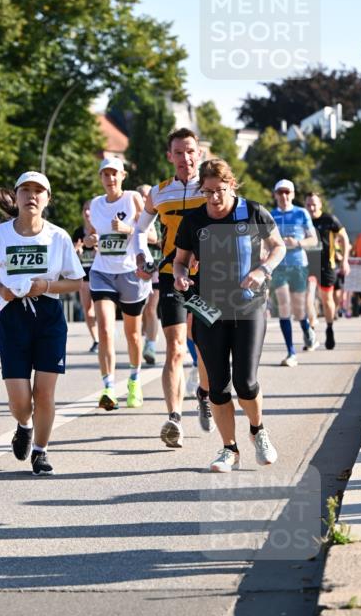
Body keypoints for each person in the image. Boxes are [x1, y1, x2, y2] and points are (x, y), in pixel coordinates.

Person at [174, 159, 286, 472]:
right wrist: (181, 277)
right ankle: (229, 449)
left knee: (246, 382)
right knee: (218, 386)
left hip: (249, 305)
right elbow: (180, 261)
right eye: (207, 192)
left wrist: (263, 270)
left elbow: (278, 247)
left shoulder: (252, 211)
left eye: (219, 191)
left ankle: (257, 430)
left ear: (231, 185)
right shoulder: (194, 220)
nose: (214, 198)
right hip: (209, 308)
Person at [0, 171, 84, 475]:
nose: (32, 196)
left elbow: (76, 281)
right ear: (17, 195)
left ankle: (40, 451)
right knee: (21, 399)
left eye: (39, 191)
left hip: (48, 317)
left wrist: (45, 286)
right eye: (26, 190)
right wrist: (2, 290)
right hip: (13, 316)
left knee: (45, 394)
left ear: (47, 199)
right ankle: (24, 425)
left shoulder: (58, 236)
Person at [134, 128, 214, 447]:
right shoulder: (159, 192)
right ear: (170, 157)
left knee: (206, 345)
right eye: (179, 153)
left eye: (191, 151)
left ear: (200, 154)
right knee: (176, 347)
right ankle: (174, 418)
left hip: (208, 277)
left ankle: (204, 393)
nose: (185, 158)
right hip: (170, 275)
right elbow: (140, 230)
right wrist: (142, 255)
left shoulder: (210, 189)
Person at [85, 156, 150, 410]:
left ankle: (134, 381)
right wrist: (91, 241)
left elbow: (152, 234)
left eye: (115, 174)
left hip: (130, 273)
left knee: (133, 335)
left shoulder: (133, 198)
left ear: (123, 176)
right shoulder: (95, 204)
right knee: (104, 331)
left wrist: (127, 229)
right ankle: (109, 388)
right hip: (102, 272)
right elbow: (92, 237)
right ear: (100, 178)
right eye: (105, 174)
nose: (110, 179)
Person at [270, 180, 318, 366]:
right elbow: (265, 242)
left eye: (287, 192)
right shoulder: (270, 215)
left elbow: (313, 239)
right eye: (280, 192)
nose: (284, 196)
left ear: (293, 193)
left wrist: (297, 243)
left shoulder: (301, 213)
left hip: (298, 264)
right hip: (278, 266)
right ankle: (291, 352)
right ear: (275, 194)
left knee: (298, 309)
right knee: (284, 305)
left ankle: (307, 330)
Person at [304, 193, 351, 349]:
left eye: (314, 204)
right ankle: (310, 332)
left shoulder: (329, 219)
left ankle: (329, 328)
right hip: (306, 264)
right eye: (308, 204)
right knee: (307, 298)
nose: (311, 207)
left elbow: (344, 238)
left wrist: (344, 260)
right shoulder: (302, 219)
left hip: (326, 264)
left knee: (326, 299)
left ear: (320, 205)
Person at [136, 184, 163, 366]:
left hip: (155, 265)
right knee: (140, 310)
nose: (145, 198)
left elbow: (155, 238)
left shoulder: (156, 216)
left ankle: (150, 346)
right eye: (141, 195)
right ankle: (140, 341)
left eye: (147, 195)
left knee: (151, 308)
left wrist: (132, 230)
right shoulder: (129, 215)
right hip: (135, 266)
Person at [72, 200, 99, 353]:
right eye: (84, 209)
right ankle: (96, 340)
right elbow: (71, 258)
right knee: (88, 310)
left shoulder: (101, 231)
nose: (87, 212)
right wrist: (76, 252)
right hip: (84, 276)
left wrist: (99, 251)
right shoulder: (78, 233)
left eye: (90, 209)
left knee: (100, 310)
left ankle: (104, 334)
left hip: (101, 275)